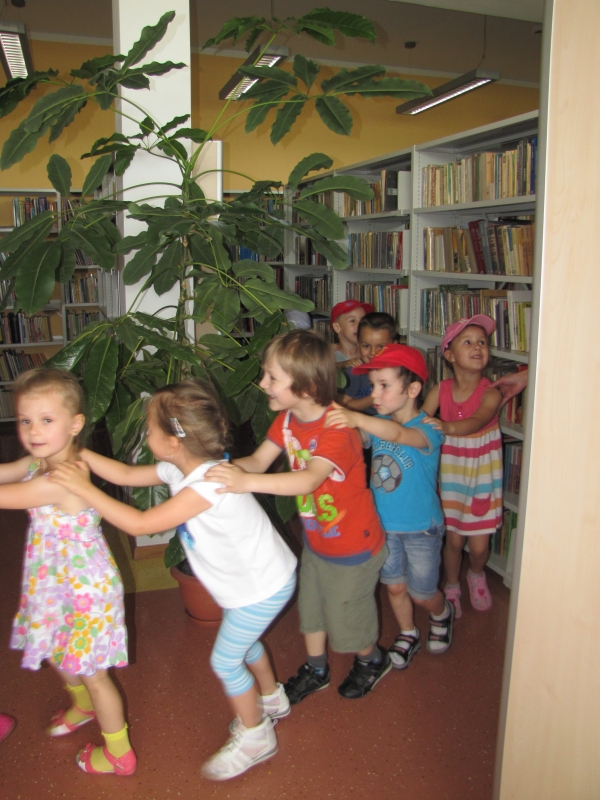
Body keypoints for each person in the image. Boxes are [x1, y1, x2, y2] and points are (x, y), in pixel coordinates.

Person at [51, 379, 297, 782]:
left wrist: (83, 488)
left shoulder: (208, 485)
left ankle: (256, 736)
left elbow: (141, 523)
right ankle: (271, 699)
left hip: (262, 587)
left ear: (172, 442)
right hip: (254, 581)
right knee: (246, 643)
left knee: (225, 660)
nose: (145, 434)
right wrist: (79, 454)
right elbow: (126, 475)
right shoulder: (181, 467)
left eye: (148, 429)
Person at [205, 330, 391, 705]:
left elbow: (308, 480)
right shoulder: (288, 420)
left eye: (272, 377)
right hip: (318, 540)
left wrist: (245, 483)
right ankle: (316, 669)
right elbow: (258, 461)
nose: (263, 384)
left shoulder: (337, 429)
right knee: (311, 611)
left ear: (306, 387)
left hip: (354, 547)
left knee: (348, 619)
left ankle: (372, 658)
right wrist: (215, 470)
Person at [0, 368, 134, 776]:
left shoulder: (61, 478)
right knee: (56, 649)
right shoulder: (40, 460)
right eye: (25, 420)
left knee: (94, 673)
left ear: (75, 424)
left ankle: (119, 754)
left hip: (84, 591)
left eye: (46, 420)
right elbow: (7, 472)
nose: (33, 431)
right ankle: (83, 705)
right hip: (51, 581)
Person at [326, 344, 454, 670]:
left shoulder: (429, 429)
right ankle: (408, 633)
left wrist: (358, 417)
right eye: (373, 386)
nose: (374, 394)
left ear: (412, 390)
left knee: (422, 593)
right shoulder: (378, 422)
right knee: (394, 587)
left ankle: (441, 612)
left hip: (422, 529)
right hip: (384, 526)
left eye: (384, 385)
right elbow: (358, 437)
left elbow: (397, 434)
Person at [421, 315, 504, 617]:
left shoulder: (491, 392)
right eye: (467, 342)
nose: (477, 347)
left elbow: (477, 421)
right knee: (454, 540)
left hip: (482, 476)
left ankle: (476, 574)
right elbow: (419, 422)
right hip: (451, 476)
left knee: (479, 546)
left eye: (482, 342)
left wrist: (445, 427)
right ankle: (453, 584)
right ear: (449, 354)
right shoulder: (440, 390)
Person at [342, 312, 397, 414]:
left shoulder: (399, 371)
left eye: (380, 346)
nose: (373, 352)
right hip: (362, 420)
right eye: (366, 346)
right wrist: (376, 395)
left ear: (394, 346)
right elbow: (345, 406)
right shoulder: (354, 371)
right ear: (358, 345)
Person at [330, 299, 373, 369]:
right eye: (352, 321)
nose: (360, 325)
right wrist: (343, 364)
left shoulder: (371, 352)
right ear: (337, 327)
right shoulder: (329, 355)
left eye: (363, 320)